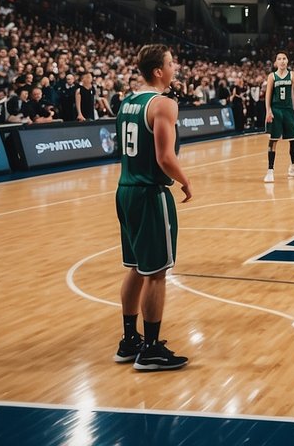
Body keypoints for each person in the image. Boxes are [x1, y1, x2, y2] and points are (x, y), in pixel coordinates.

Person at [113, 44, 193, 372]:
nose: (175, 68)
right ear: (158, 71)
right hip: (149, 193)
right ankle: (150, 350)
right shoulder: (164, 105)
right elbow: (164, 157)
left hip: (125, 189)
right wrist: (185, 181)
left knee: (135, 267)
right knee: (156, 273)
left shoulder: (127, 101)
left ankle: (129, 340)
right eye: (172, 63)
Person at [263, 52, 294, 182]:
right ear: (276, 62)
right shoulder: (272, 76)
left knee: (293, 140)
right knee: (273, 140)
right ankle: (270, 171)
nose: (282, 61)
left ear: (287, 61)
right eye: (279, 59)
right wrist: (268, 111)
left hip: (288, 110)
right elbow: (268, 96)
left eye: (284, 58)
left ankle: (293, 168)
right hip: (276, 110)